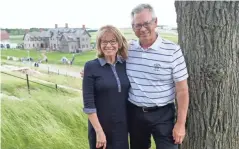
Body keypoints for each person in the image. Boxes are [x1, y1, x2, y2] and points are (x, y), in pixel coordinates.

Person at [126, 3, 189, 149]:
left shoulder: (172, 51)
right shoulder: (129, 50)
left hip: (163, 115)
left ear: (155, 22)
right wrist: (91, 71)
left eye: (146, 23)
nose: (142, 29)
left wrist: (180, 124)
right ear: (133, 27)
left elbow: (182, 90)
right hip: (135, 113)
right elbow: (110, 61)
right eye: (137, 25)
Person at [82, 25, 130, 149]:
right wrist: (99, 132)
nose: (109, 45)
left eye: (113, 41)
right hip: (100, 128)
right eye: (104, 42)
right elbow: (89, 105)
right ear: (99, 45)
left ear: (119, 43)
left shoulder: (125, 65)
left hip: (122, 128)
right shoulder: (91, 67)